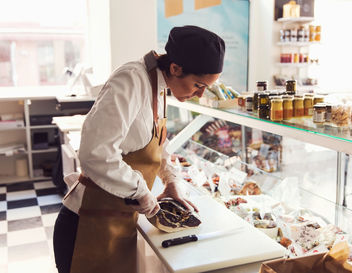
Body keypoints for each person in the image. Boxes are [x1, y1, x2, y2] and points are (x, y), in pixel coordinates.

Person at [53, 25, 225, 273]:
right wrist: (142, 192)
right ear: (175, 68)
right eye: (198, 85)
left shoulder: (162, 85)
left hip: (117, 221)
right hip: (87, 225)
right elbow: (96, 154)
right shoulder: (132, 80)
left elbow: (158, 143)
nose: (199, 94)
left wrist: (171, 180)